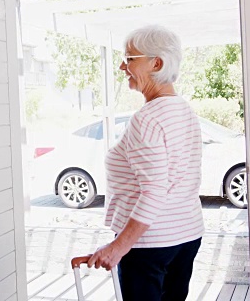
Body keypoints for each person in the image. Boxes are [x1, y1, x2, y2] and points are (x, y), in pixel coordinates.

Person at [87, 25, 204, 300]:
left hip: (151, 245)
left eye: (129, 59)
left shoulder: (147, 119)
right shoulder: (185, 111)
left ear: (157, 63)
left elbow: (153, 192)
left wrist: (118, 247)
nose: (121, 66)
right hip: (187, 235)